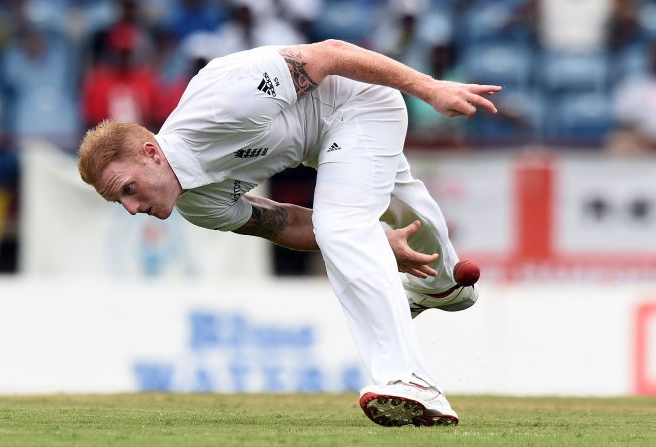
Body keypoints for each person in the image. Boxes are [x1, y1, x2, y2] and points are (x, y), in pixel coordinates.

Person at [77, 39, 500, 427]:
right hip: (319, 140)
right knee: (390, 216)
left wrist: (427, 88)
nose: (132, 209)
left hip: (358, 100)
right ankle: (446, 287)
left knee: (341, 224)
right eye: (121, 202)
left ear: (151, 153)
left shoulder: (219, 105)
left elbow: (330, 54)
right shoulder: (196, 205)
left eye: (128, 190)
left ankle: (409, 379)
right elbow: (283, 222)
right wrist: (376, 245)